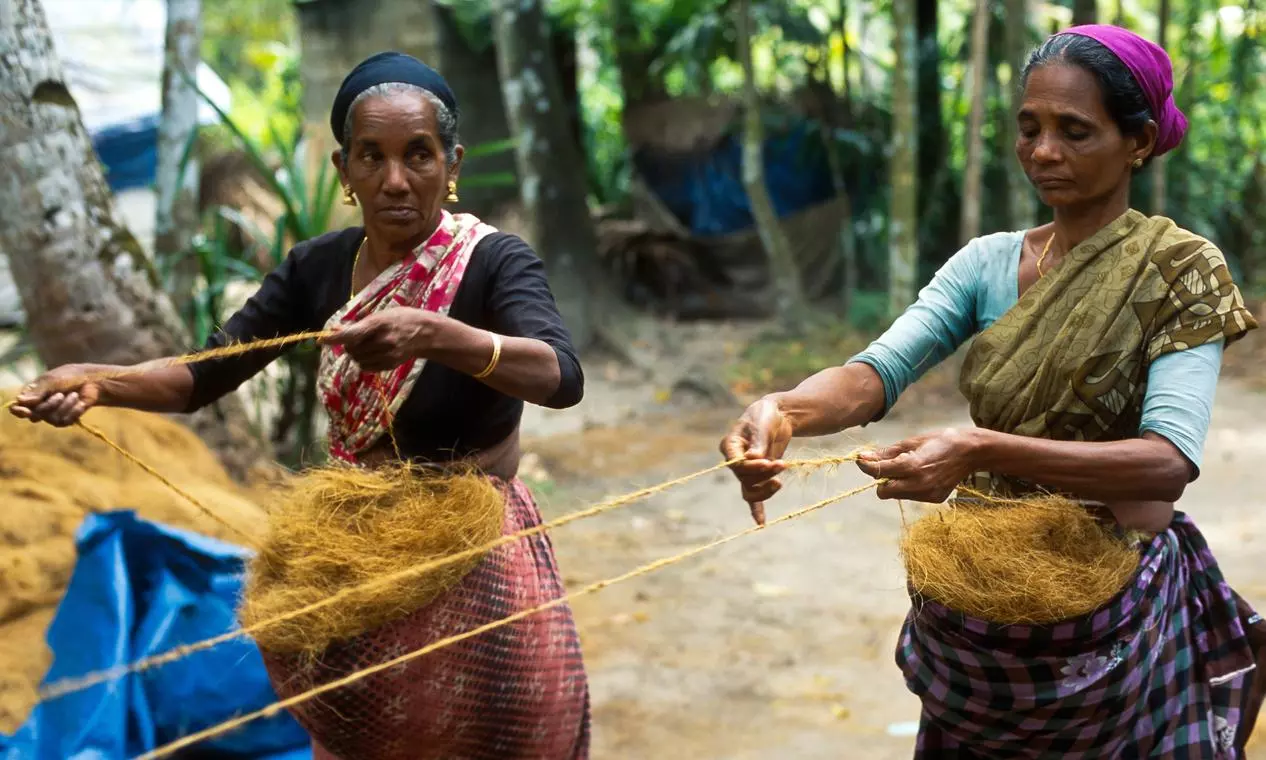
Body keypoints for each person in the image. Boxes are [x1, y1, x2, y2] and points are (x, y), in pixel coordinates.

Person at [11, 52, 590, 759]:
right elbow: (205, 375)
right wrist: (102, 380)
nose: (396, 180)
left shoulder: (494, 262)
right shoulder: (317, 266)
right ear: (344, 171)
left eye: (419, 155)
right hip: (357, 557)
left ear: (452, 161)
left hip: (477, 560)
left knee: (496, 735)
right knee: (359, 737)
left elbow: (560, 376)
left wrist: (439, 336)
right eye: (371, 158)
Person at [720, 25, 1265, 757]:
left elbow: (1166, 462)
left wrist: (977, 446)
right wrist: (782, 409)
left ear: (1137, 141)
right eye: (1029, 128)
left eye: (1075, 131)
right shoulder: (987, 264)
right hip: (983, 624)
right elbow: (874, 374)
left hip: (1118, 618)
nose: (1043, 152)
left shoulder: (1179, 270)